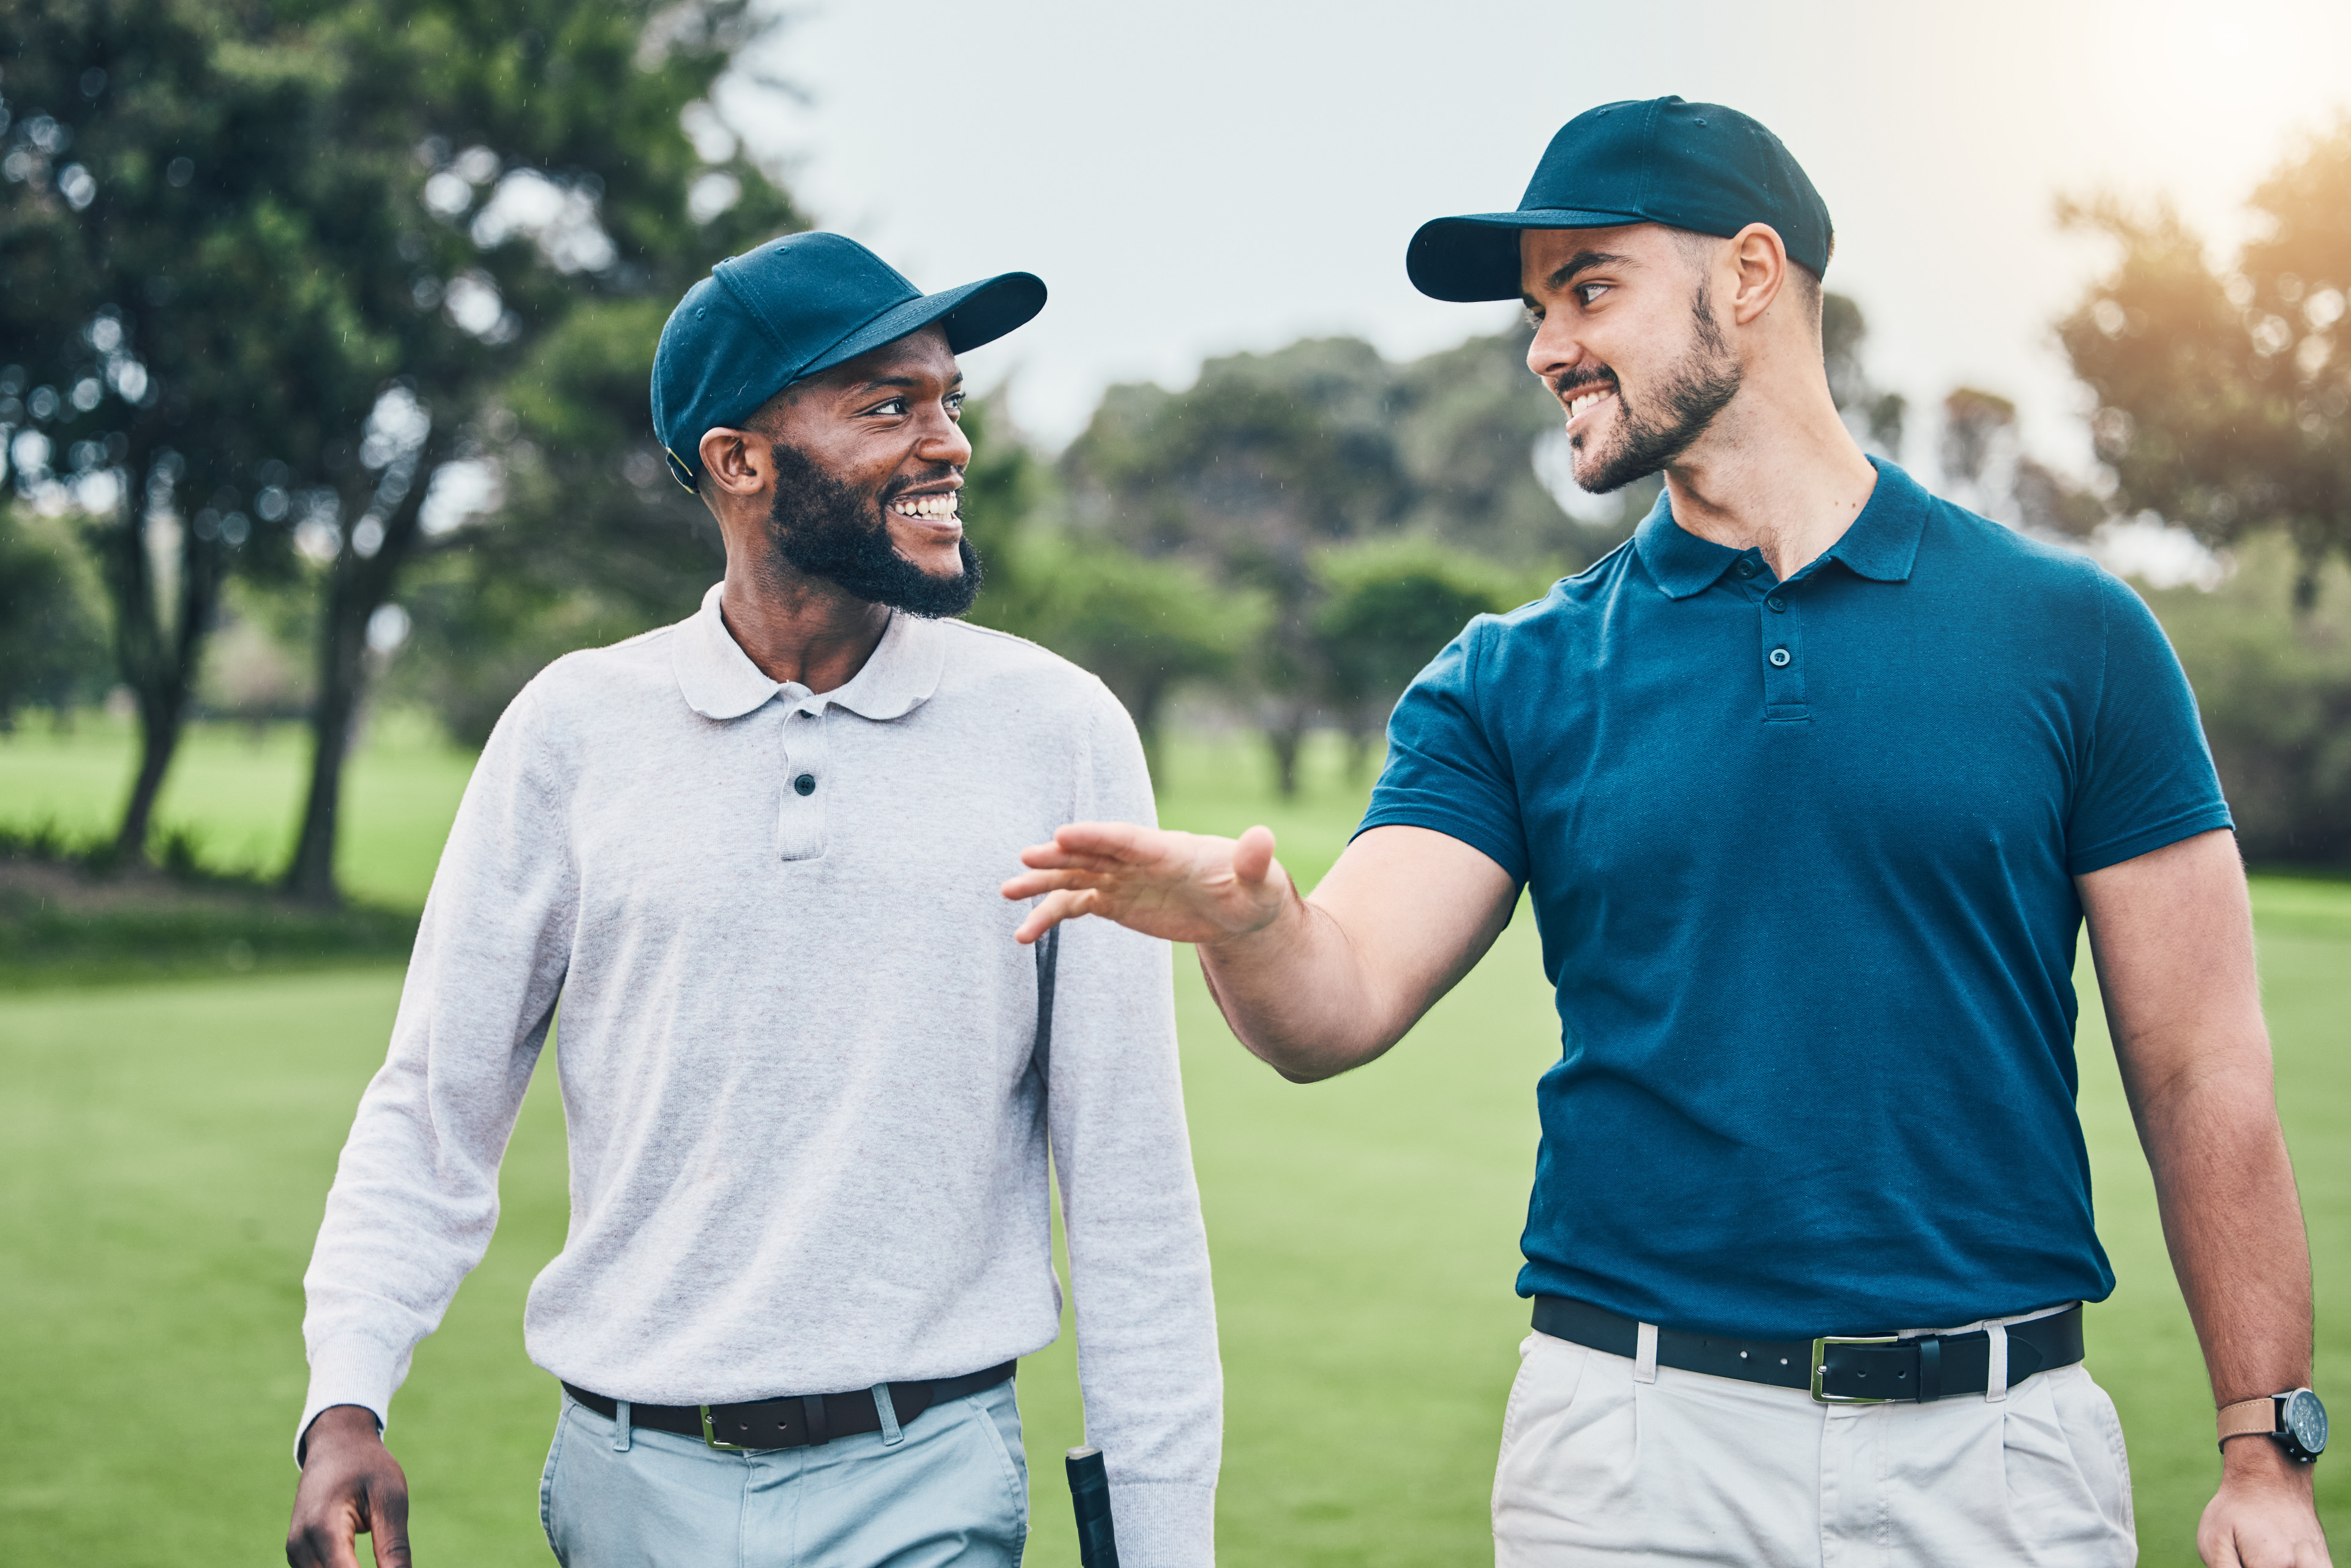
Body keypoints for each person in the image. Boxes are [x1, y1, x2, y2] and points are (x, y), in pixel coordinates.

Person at [1004, 99, 2330, 1566]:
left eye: (1589, 289)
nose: (1543, 347)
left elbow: (2203, 1062)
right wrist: (1257, 930)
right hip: (1632, 1464)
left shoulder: (2077, 640)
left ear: (1749, 275)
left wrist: (2265, 1449)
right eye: (1536, 308)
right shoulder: (1512, 679)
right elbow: (1338, 998)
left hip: (1999, 1459)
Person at [287, 231, 1221, 1568]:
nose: (947, 441)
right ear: (740, 461)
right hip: (625, 1492)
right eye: (889, 405)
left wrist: (1166, 1540)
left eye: (947, 400)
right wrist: (342, 1404)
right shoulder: (570, 732)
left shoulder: (1060, 733)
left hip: (930, 1479)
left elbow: (1130, 1186)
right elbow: (431, 1113)